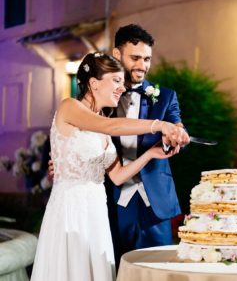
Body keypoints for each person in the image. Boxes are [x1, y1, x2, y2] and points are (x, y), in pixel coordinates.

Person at [31, 52, 189, 281]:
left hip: (96, 214)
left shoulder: (102, 124)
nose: (122, 88)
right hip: (71, 212)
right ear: (94, 83)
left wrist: (151, 155)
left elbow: (117, 176)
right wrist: (159, 125)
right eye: (116, 81)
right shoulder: (70, 107)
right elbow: (111, 126)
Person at [105, 24, 188, 267]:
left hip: (155, 202)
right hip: (113, 199)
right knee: (116, 268)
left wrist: (178, 134)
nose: (142, 65)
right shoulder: (101, 95)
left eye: (147, 59)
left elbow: (177, 125)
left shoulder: (165, 96)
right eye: (135, 58)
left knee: (159, 268)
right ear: (117, 54)